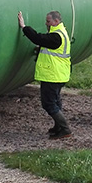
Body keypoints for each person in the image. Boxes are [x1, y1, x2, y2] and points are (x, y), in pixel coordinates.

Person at [17, 10, 72, 139]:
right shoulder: (61, 32)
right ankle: (58, 127)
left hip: (52, 74)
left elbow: (38, 38)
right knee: (56, 101)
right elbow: (48, 44)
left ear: (56, 21)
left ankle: (65, 129)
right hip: (59, 74)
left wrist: (24, 27)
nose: (46, 23)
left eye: (48, 21)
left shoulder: (56, 36)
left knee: (48, 103)